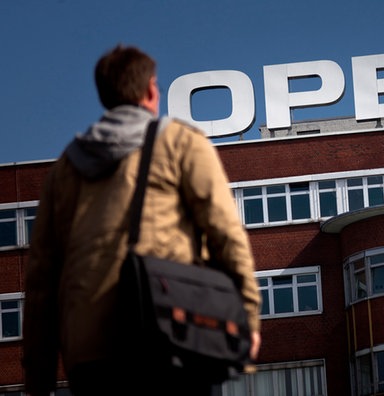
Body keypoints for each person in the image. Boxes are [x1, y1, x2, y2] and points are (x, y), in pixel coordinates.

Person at [22, 44, 261, 396]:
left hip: (90, 355)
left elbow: (40, 281)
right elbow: (226, 234)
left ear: (105, 95)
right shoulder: (181, 144)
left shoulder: (64, 170)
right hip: (170, 333)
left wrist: (38, 379)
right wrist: (248, 321)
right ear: (151, 90)